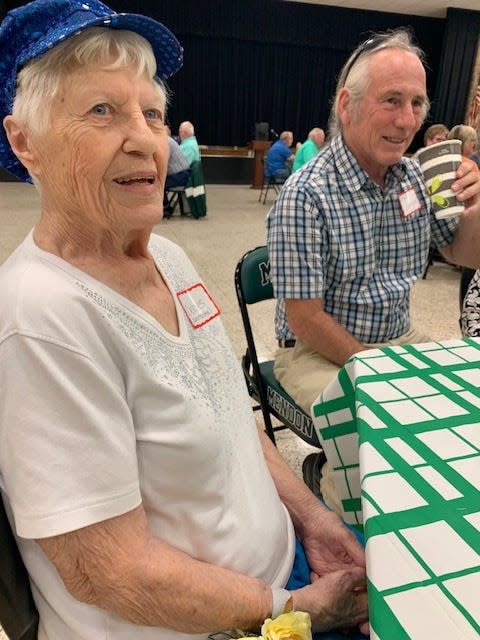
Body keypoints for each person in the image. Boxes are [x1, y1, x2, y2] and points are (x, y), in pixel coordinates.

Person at [0, 1, 369, 639]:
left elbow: (230, 411)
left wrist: (315, 521)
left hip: (285, 573)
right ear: (24, 141)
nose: (146, 138)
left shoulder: (169, 256)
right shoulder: (40, 317)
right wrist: (298, 613)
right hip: (219, 626)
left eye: (151, 113)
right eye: (101, 111)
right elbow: (113, 573)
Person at [266, 29, 480, 512]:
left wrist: (477, 201)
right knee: (379, 428)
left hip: (396, 339)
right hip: (315, 353)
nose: (407, 120)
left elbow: (466, 254)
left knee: (465, 406)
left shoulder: (415, 178)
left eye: (417, 103)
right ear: (348, 106)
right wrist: (380, 370)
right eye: (391, 100)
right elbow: (305, 320)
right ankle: (345, 528)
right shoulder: (307, 195)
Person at [163, 126, 191, 217]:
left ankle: (165, 208)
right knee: (159, 181)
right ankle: (165, 205)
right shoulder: (168, 140)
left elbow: (164, 165)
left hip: (181, 176)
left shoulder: (166, 142)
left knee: (159, 184)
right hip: (182, 174)